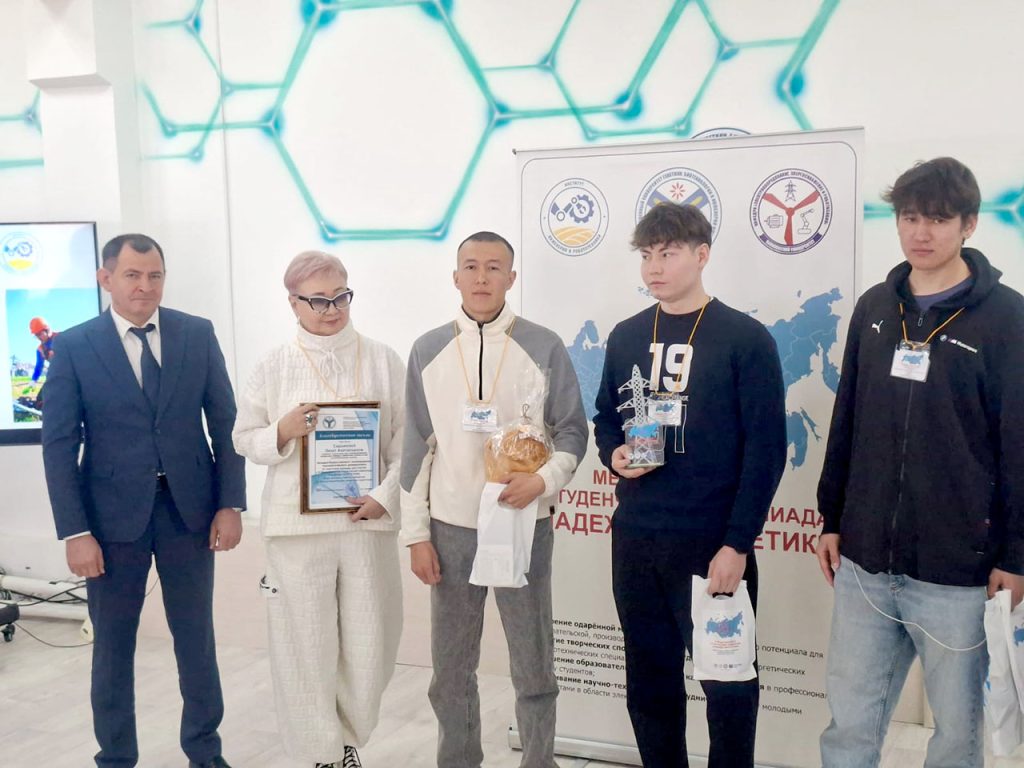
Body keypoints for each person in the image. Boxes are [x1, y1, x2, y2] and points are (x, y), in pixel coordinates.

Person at [817, 157, 1024, 768]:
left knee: (956, 737)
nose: (921, 233)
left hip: (957, 572)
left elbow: (1018, 443)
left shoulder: (1007, 318)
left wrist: (1016, 556)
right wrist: (833, 518)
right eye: (909, 217)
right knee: (849, 727)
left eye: (937, 219)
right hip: (864, 563)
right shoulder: (875, 308)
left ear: (969, 224)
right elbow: (847, 417)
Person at [593, 203, 787, 768]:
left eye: (669, 253)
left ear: (702, 256)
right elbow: (606, 417)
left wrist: (737, 544)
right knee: (649, 683)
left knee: (728, 687)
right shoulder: (627, 335)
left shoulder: (744, 338)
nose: (655, 267)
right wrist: (614, 454)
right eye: (647, 255)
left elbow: (766, 451)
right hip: (637, 538)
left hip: (711, 544)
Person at [41, 233, 245, 768]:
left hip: (189, 513)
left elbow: (225, 423)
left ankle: (205, 752)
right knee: (113, 646)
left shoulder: (196, 334)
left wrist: (230, 503)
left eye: (155, 275)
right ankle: (115, 758)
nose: (144, 286)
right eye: (132, 275)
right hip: (109, 523)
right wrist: (75, 531)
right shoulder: (74, 346)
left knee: (196, 641)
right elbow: (59, 445)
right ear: (106, 278)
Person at [400, 231, 588, 768]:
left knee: (533, 664)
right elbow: (415, 448)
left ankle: (539, 762)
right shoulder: (427, 349)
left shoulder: (544, 345)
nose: (481, 277)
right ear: (455, 276)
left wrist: (543, 481)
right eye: (471, 266)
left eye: (493, 267)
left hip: (524, 522)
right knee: (451, 669)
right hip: (451, 529)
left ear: (511, 277)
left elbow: (572, 430)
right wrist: (416, 535)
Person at [233, 251, 404, 768]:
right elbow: (243, 437)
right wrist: (281, 432)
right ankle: (321, 754)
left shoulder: (383, 359)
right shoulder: (273, 365)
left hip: (365, 523)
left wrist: (385, 495)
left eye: (341, 297)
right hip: (296, 529)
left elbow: (409, 441)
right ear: (293, 303)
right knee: (304, 644)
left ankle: (349, 738)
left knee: (371, 642)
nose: (333, 310)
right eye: (319, 301)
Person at [30, 316, 57, 383]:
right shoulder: (40, 350)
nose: (38, 338)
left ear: (47, 330)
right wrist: (33, 380)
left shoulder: (60, 337)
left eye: (40, 334)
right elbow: (39, 366)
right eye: (36, 335)